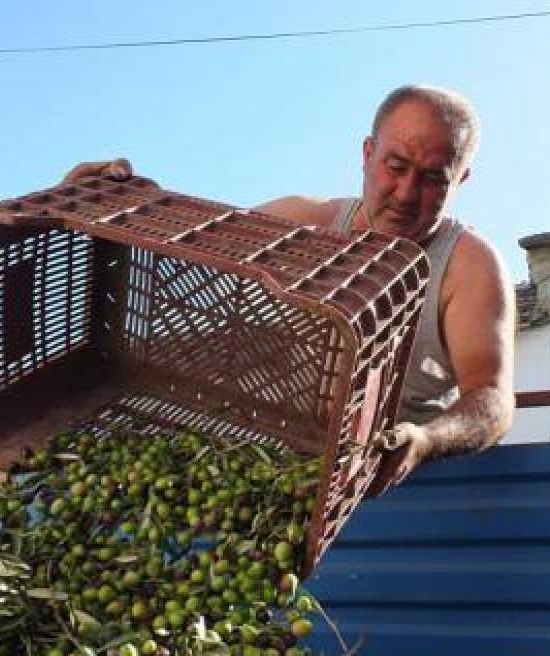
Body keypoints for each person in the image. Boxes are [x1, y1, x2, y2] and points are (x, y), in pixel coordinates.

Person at [60, 85, 515, 495]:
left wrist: (426, 440)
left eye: (433, 178)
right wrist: (118, 203)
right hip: (270, 465)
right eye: (395, 167)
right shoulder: (308, 223)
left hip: (376, 485)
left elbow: (491, 399)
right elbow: (193, 235)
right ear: (367, 153)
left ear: (461, 180)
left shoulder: (468, 267)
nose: (405, 193)